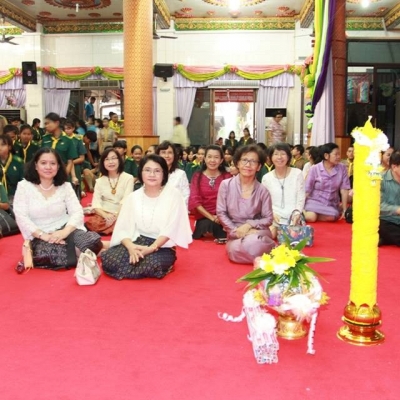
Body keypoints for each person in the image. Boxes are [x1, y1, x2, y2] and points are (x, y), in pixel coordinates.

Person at [101, 154, 192, 279]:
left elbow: (171, 229)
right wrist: (131, 247)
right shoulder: (133, 197)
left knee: (150, 264)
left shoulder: (174, 196)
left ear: (164, 174)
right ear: (141, 172)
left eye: (157, 171)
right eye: (147, 170)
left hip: (161, 245)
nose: (152, 175)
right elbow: (123, 228)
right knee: (111, 260)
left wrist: (151, 248)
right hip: (137, 241)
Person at [13, 148, 102, 270]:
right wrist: (44, 235)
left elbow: (77, 212)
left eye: (53, 163)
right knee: (49, 254)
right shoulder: (24, 187)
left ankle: (82, 252)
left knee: (91, 240)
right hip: (39, 235)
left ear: (59, 166)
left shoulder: (65, 186)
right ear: (36, 165)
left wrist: (64, 232)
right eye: (43, 163)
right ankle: (88, 252)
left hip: (65, 229)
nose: (48, 167)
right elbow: (21, 216)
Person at [217, 144, 275, 264]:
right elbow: (221, 213)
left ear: (259, 167)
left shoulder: (263, 191)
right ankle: (263, 254)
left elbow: (268, 219)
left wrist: (249, 225)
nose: (248, 165)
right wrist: (236, 231)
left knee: (255, 241)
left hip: (257, 230)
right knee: (235, 249)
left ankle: (255, 251)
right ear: (237, 163)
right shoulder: (226, 185)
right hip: (235, 231)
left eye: (253, 161)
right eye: (244, 160)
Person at [262, 143, 305, 239]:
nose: (279, 157)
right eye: (276, 154)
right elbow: (265, 202)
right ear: (270, 157)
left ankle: (284, 232)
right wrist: (272, 214)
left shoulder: (297, 173)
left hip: (293, 217)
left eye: (283, 154)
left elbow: (301, 197)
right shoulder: (266, 178)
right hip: (275, 217)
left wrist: (297, 214)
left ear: (288, 156)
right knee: (270, 235)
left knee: (291, 236)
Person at [86, 148, 134, 235]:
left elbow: (126, 201)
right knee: (93, 224)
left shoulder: (128, 178)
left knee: (126, 223)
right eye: (107, 159)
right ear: (103, 163)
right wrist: (106, 216)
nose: (110, 162)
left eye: (113, 158)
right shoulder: (99, 181)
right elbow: (96, 204)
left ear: (119, 160)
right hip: (105, 214)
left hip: (122, 212)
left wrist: (116, 216)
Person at [189, 145, 231, 240]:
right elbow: (195, 201)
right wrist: (213, 218)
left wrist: (221, 217)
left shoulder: (227, 176)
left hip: (224, 218)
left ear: (221, 160)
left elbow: (231, 200)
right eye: (209, 157)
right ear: (204, 159)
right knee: (206, 225)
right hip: (204, 217)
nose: (212, 160)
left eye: (216, 157)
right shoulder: (197, 176)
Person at [304, 143, 351, 222]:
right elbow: (307, 189)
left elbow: (344, 190)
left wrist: (344, 209)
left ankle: (316, 214)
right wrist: (300, 206)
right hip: (314, 201)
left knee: (332, 216)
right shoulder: (315, 168)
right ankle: (305, 213)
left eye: (339, 154)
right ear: (326, 156)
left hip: (331, 203)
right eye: (336, 154)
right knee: (311, 217)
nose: (338, 157)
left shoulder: (342, 168)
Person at [41, 113, 77, 177]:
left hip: (61, 173)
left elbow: (70, 162)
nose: (46, 126)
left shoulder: (68, 140)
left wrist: (64, 175)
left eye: (48, 123)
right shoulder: (45, 139)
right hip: (46, 173)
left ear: (57, 123)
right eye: (45, 124)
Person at [156, 141, 190, 206]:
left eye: (170, 152)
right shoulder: (152, 174)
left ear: (174, 155)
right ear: (158, 155)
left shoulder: (180, 174)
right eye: (163, 152)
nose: (167, 156)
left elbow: (186, 196)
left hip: (176, 209)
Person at [379, 151, 400, 246]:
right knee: (381, 226)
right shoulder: (380, 180)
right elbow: (376, 206)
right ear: (394, 167)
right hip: (387, 220)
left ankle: (386, 239)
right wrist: (397, 210)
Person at [0, 134, 24, 203]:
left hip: (15, 197)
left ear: (9, 147)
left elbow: (23, 182)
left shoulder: (18, 162)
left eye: (3, 145)